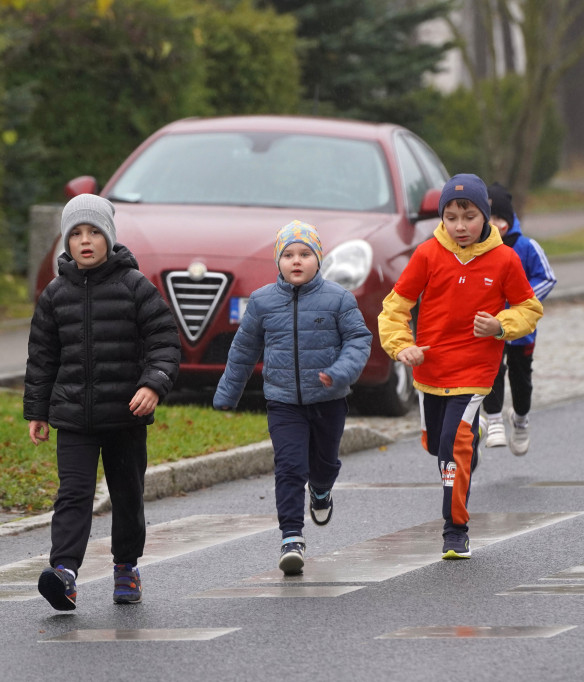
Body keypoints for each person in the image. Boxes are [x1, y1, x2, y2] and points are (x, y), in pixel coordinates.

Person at [24, 193, 181, 611]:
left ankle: (126, 567)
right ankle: (64, 573)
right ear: (66, 242)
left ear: (109, 237)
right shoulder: (55, 294)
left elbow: (165, 341)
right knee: (73, 495)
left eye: (94, 232)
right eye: (76, 234)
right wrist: (37, 411)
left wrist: (154, 384)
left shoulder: (135, 287)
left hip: (126, 415)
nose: (86, 241)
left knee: (126, 494)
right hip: (74, 416)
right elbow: (42, 358)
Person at [377, 174, 543, 560]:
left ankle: (455, 531)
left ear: (485, 215)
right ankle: (468, 440)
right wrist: (403, 346)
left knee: (453, 448)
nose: (460, 226)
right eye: (451, 217)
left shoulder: (504, 259)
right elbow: (395, 307)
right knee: (437, 446)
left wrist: (500, 325)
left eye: (468, 216)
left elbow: (529, 308)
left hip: (474, 373)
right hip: (431, 371)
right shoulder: (427, 255)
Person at [213, 220, 371, 575]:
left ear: (319, 259)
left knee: (325, 463)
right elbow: (243, 350)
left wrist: (340, 372)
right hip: (283, 402)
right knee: (289, 466)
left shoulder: (338, 299)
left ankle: (321, 489)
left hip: (328, 398)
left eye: (305, 254)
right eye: (288, 255)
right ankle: (291, 537)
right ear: (278, 261)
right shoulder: (263, 301)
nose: (296, 261)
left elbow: (359, 340)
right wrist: (227, 393)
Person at [481, 182, 557, 455]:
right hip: (491, 327)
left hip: (522, 330)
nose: (494, 224)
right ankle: (493, 420)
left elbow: (547, 278)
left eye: (499, 218)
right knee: (491, 372)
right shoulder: (478, 250)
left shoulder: (526, 247)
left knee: (521, 378)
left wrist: (520, 302)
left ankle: (521, 419)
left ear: (509, 220)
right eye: (488, 219)